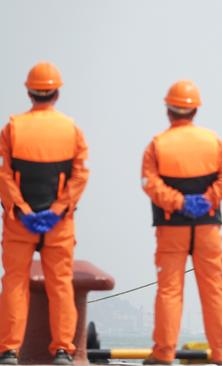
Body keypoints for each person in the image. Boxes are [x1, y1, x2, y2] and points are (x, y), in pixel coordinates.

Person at [141, 80, 222, 365]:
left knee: (170, 290)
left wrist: (179, 203)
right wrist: (206, 199)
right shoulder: (215, 143)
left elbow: (150, 184)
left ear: (169, 110)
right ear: (195, 109)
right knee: (214, 289)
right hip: (207, 227)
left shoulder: (157, 145)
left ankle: (163, 354)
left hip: (171, 228)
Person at [0, 62, 89, 366]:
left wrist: (22, 210)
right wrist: (57, 210)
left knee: (14, 282)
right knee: (60, 284)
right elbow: (79, 175)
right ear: (57, 93)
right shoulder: (71, 129)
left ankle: (9, 350)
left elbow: (4, 175)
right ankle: (63, 350)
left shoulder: (13, 128)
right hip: (58, 223)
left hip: (19, 222)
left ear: (29, 91)